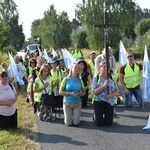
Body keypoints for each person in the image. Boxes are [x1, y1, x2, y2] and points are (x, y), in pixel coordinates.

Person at [92, 61, 118, 126]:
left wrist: (111, 95)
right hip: (99, 101)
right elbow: (94, 92)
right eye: (104, 67)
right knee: (99, 124)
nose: (106, 69)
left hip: (109, 101)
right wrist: (104, 86)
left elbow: (117, 91)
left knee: (108, 123)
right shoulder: (96, 79)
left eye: (107, 68)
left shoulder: (112, 78)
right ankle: (96, 116)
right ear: (99, 68)